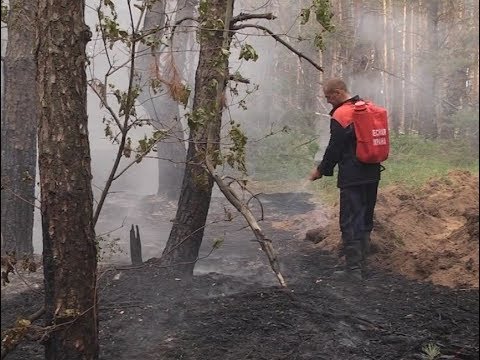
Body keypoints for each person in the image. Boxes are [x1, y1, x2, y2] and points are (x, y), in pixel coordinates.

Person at [309, 78, 381, 281]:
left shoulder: (342, 114)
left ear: (339, 92)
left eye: (328, 97)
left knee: (349, 221)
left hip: (353, 176)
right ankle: (363, 267)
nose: (328, 101)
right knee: (365, 218)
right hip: (372, 173)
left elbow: (335, 148)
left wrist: (321, 170)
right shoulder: (367, 108)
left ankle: (353, 271)